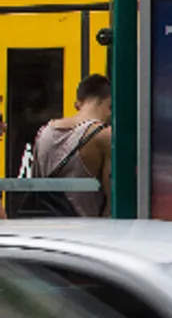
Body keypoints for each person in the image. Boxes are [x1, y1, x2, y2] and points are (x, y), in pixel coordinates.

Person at [32, 74, 112, 217]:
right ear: (110, 103)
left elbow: (35, 185)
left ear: (78, 104)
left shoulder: (43, 132)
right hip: (86, 234)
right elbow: (113, 199)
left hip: (46, 231)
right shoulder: (103, 136)